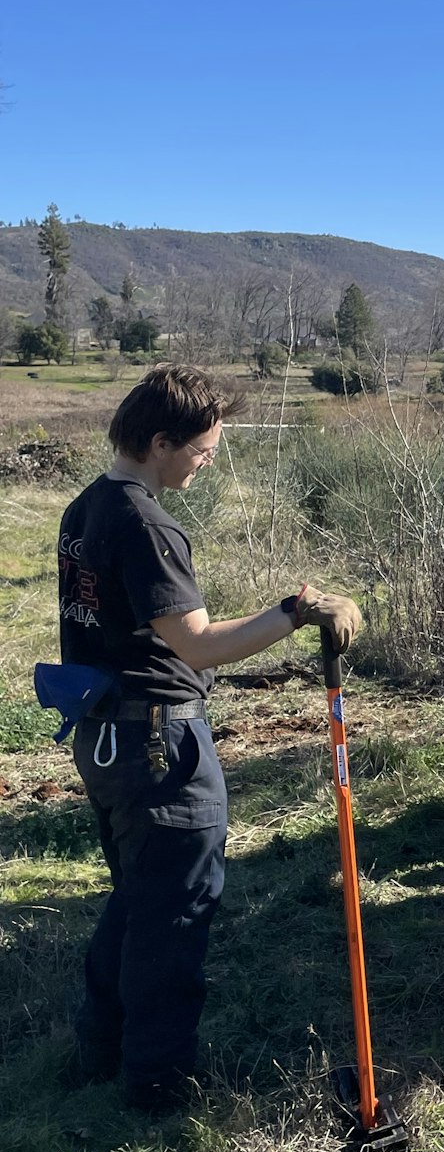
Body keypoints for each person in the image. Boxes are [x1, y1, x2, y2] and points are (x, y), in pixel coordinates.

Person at [52, 363, 362, 1113]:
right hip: (159, 746)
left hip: (106, 737)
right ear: (160, 440)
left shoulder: (85, 507)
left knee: (137, 896)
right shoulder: (144, 522)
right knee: (178, 906)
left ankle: (101, 1045)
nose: (210, 458)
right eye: (203, 447)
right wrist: (297, 609)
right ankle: (157, 1080)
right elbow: (199, 645)